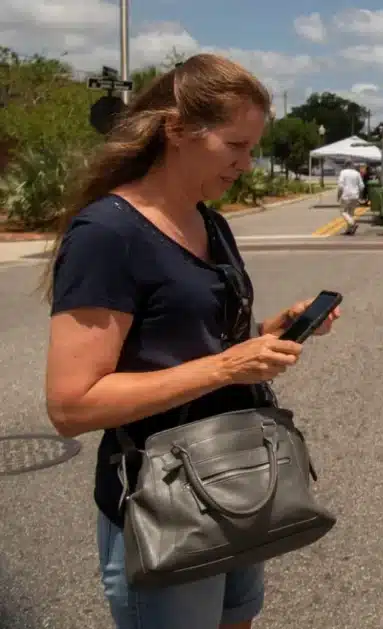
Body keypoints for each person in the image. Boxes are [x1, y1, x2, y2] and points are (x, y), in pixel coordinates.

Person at [42, 53, 341, 629]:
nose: (247, 164)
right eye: (236, 146)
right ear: (176, 130)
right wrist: (226, 367)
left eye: (252, 148)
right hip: (166, 501)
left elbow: (194, 342)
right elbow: (71, 405)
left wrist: (266, 336)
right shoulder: (108, 234)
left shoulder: (210, 222)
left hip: (237, 477)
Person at [336, 160, 364, 235]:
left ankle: (352, 223)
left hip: (346, 195)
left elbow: (340, 186)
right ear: (352, 165)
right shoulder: (357, 173)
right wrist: (359, 195)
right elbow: (362, 186)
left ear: (345, 165)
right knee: (351, 213)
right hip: (355, 196)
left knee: (343, 212)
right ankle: (349, 230)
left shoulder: (343, 172)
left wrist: (338, 196)